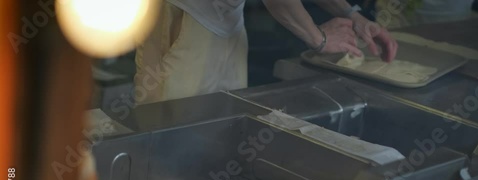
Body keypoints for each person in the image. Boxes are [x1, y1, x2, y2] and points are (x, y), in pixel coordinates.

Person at [134, 0, 398, 104]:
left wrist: (351, 14)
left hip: (227, 21)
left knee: (220, 124)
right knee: (169, 130)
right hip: (186, 16)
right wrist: (320, 38)